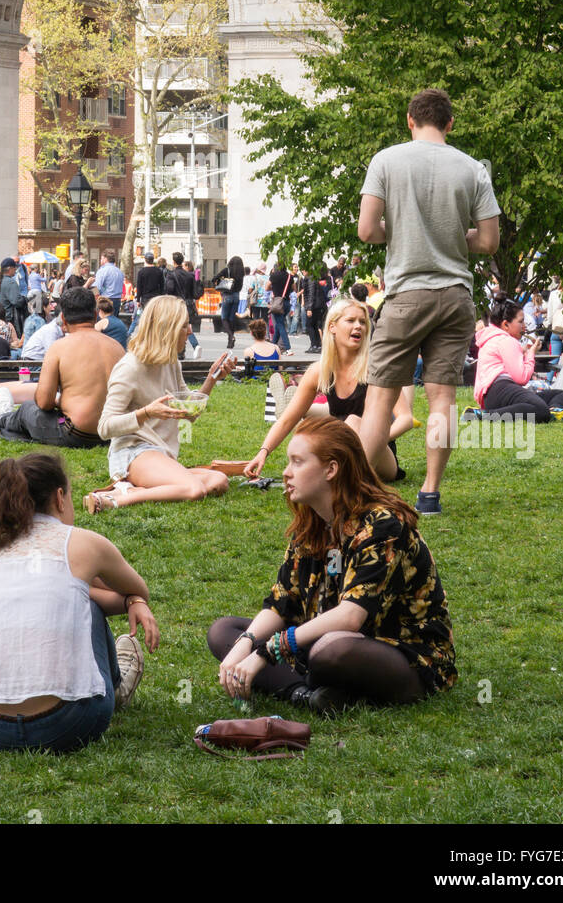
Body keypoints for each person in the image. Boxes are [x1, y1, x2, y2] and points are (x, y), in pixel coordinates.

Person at [209, 418, 457, 713]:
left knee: (331, 649)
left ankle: (308, 683)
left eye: (297, 462)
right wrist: (246, 642)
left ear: (331, 469)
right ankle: (306, 694)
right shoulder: (312, 522)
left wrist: (268, 650)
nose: (286, 473)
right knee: (224, 632)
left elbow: (351, 617)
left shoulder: (383, 524)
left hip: (400, 654)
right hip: (318, 639)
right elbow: (281, 602)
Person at [356, 88, 500, 514]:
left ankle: (359, 491)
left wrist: (398, 231)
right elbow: (489, 241)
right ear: (450, 123)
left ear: (409, 120)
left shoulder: (386, 160)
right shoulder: (473, 169)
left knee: (380, 395)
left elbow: (366, 231)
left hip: (405, 296)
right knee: (442, 397)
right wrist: (455, 235)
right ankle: (431, 494)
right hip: (456, 297)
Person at [0, 452, 159, 753]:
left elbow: (67, 587)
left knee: (63, 601)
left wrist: (100, 591)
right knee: (87, 607)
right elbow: (138, 587)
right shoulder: (85, 542)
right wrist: (132, 599)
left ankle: (1, 673)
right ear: (60, 497)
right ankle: (117, 689)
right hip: (67, 724)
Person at [86, 295, 233, 514]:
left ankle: (140, 487)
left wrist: (211, 379)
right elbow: (104, 428)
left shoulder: (170, 361)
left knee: (218, 480)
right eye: (185, 326)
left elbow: (188, 414)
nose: (190, 332)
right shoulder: (130, 368)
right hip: (133, 452)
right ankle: (118, 498)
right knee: (194, 489)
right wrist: (146, 413)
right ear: (168, 329)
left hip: (161, 454)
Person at [245, 296, 412, 481]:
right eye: (350, 320)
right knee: (316, 434)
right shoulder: (320, 370)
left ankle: (346, 480)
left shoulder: (376, 368)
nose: (358, 326)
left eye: (363, 322)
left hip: (380, 459)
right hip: (340, 448)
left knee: (353, 422)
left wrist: (377, 439)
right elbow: (286, 420)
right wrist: (263, 452)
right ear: (332, 327)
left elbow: (406, 419)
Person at [0, 287, 123, 446]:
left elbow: (44, 402)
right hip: (110, 433)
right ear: (94, 315)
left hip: (74, 431)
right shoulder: (117, 348)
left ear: (63, 319)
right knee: (32, 417)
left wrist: (60, 401)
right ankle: (4, 418)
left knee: (28, 409)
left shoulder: (60, 347)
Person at [470, 294, 563, 422]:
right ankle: (483, 415)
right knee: (540, 410)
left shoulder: (495, 338)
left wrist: (524, 351)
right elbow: (521, 378)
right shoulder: (506, 341)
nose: (524, 326)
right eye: (521, 321)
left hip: (492, 394)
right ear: (506, 325)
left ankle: (555, 410)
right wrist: (531, 353)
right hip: (499, 389)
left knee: (560, 394)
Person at [165, 252, 202, 358]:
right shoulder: (189, 275)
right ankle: (188, 348)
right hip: (188, 304)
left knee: (176, 327)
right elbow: (194, 293)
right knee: (184, 326)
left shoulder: (171, 275)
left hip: (176, 304)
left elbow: (169, 289)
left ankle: (180, 351)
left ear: (173, 261)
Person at [127, 251, 166, 338]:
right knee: (155, 318)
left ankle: (146, 335)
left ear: (145, 260)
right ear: (153, 260)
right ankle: (155, 335)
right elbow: (162, 286)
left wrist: (138, 300)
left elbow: (139, 287)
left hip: (145, 298)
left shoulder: (142, 272)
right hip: (156, 298)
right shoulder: (159, 271)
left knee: (146, 317)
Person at [214, 255, 245, 350]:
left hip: (227, 295)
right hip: (236, 296)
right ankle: (230, 342)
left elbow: (214, 279)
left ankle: (231, 336)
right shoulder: (241, 272)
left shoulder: (226, 270)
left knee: (224, 318)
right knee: (231, 318)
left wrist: (221, 282)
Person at [264, 256, 292, 354]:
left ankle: (288, 348)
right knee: (278, 325)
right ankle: (272, 346)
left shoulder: (274, 275)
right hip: (287, 302)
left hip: (277, 303)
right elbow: (293, 288)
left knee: (280, 325)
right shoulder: (290, 276)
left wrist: (275, 289)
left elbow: (267, 287)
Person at [0, 259, 24, 332]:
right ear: (10, 269)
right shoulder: (11, 282)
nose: (15, 270)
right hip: (7, 320)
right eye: (14, 268)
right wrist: (24, 299)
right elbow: (16, 302)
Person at [303, 264, 330, 352]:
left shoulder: (310, 279)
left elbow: (311, 294)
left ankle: (314, 345)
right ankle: (317, 345)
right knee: (315, 325)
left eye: (303, 270)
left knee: (309, 325)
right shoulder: (314, 278)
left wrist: (309, 308)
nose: (302, 271)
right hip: (319, 305)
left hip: (314, 306)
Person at [96, 249, 125, 317]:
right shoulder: (119, 271)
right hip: (117, 300)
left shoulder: (102, 270)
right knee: (113, 323)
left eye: (101, 258)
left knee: (103, 323)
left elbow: (97, 288)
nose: (101, 260)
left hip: (106, 301)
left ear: (105, 259)